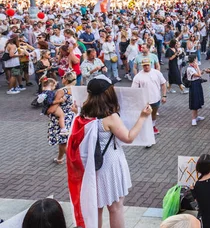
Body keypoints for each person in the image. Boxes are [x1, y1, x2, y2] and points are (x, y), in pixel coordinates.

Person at [67, 76, 152, 228]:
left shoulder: (84, 114)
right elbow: (128, 137)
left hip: (91, 167)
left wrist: (75, 112)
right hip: (110, 165)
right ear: (107, 93)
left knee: (96, 207)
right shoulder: (110, 117)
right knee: (115, 208)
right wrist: (143, 117)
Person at [131, 57, 167, 136]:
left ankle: (153, 126)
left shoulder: (157, 73)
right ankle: (145, 130)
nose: (146, 67)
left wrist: (164, 95)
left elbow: (163, 83)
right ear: (142, 66)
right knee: (145, 116)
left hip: (156, 99)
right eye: (144, 65)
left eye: (147, 65)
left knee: (153, 115)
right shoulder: (138, 76)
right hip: (144, 101)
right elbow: (134, 90)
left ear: (151, 64)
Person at [47, 72, 77, 164]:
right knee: (63, 140)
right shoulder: (75, 89)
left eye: (63, 77)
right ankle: (59, 159)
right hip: (71, 116)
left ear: (66, 79)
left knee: (63, 141)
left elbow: (55, 103)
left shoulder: (61, 91)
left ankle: (73, 161)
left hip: (61, 118)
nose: (61, 78)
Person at [186, 54, 207, 126]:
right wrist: (197, 66)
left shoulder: (193, 67)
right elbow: (198, 75)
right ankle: (193, 119)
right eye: (196, 59)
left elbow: (199, 73)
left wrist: (202, 71)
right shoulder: (190, 68)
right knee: (194, 101)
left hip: (197, 84)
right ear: (194, 60)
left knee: (198, 100)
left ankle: (196, 116)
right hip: (193, 85)